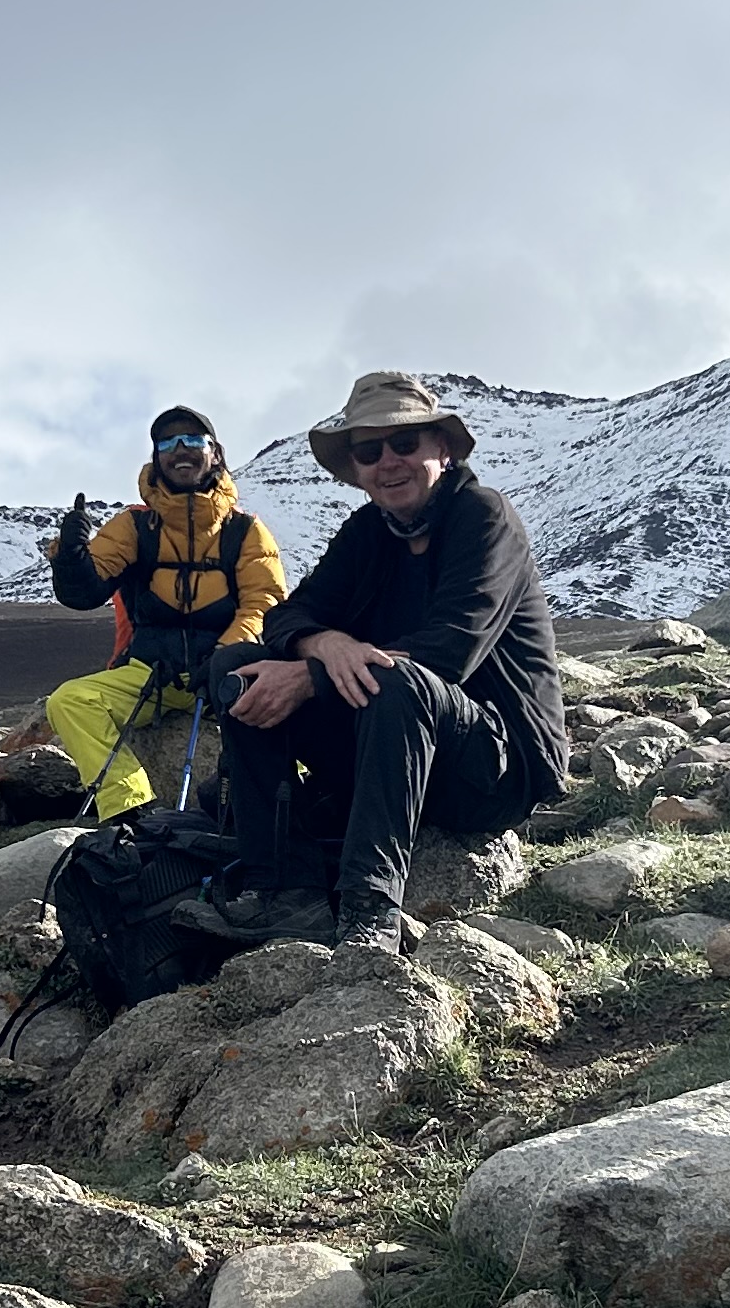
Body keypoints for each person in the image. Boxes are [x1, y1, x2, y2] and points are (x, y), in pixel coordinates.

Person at [176, 373, 570, 957]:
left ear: (442, 447)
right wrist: (323, 645)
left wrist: (310, 678)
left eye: (404, 444)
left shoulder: (484, 517)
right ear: (357, 469)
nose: (389, 462)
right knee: (238, 666)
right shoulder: (367, 532)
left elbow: (449, 652)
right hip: (386, 755)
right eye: (369, 451)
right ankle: (286, 891)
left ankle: (370, 909)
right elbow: (288, 617)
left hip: (493, 768)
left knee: (396, 677)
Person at [35, 406, 290, 816]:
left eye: (192, 440)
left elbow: (263, 605)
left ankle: (288, 805)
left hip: (225, 676)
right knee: (69, 701)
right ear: (156, 457)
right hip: (149, 675)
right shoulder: (133, 527)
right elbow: (85, 592)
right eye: (167, 443)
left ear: (215, 454)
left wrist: (224, 657)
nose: (179, 450)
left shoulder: (246, 532)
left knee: (290, 725)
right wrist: (70, 557)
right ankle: (128, 805)